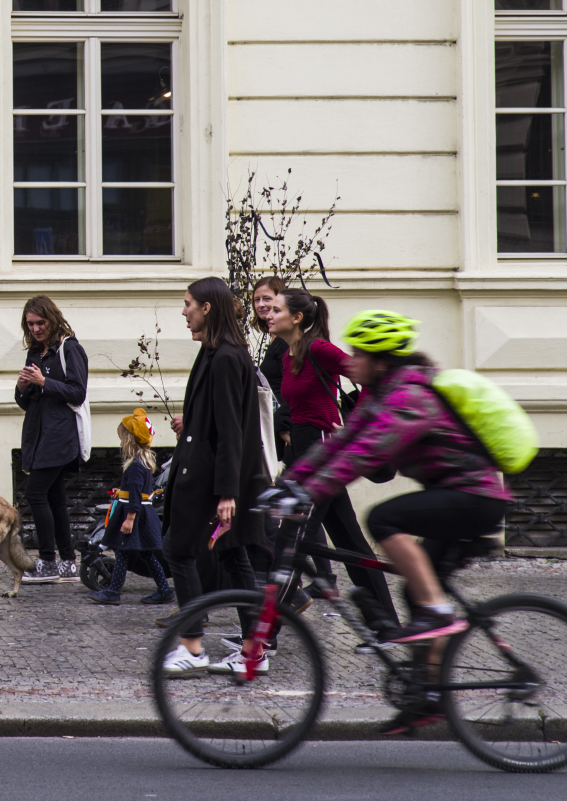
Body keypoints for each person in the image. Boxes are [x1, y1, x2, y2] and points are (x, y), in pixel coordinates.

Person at [282, 310, 514, 734]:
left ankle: (440, 615)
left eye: (358, 355)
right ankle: (428, 695)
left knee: (384, 518)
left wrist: (312, 492)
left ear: (381, 361)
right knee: (416, 591)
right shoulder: (382, 394)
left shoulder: (408, 395)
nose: (350, 361)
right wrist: (292, 481)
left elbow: (367, 453)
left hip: (474, 496)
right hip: (461, 495)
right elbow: (345, 441)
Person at [271, 287, 398, 636]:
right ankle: (385, 624)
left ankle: (261, 639)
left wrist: (360, 424)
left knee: (290, 542)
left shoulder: (318, 348)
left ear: (297, 318)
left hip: (321, 446)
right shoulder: (288, 355)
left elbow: (371, 375)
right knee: (348, 539)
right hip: (302, 448)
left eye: (277, 309)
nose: (269, 313)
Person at [159, 277, 268, 678]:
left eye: (188, 303)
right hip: (215, 476)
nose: (183, 311)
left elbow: (231, 430)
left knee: (179, 550)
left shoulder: (223, 357)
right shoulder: (218, 353)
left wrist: (225, 493)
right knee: (234, 555)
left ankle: (192, 646)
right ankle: (253, 650)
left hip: (210, 482)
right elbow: (221, 418)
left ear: (207, 308)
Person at [14, 295, 88, 583]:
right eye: (30, 324)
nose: (35, 329)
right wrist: (22, 387)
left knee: (35, 493)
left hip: (60, 435)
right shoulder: (35, 353)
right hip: (37, 434)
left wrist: (45, 382)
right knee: (55, 498)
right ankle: (68, 562)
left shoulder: (70, 349)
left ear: (52, 319)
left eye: (40, 322)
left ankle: (47, 562)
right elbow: (25, 402)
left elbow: (77, 393)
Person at [90, 412, 172, 606]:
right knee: (144, 554)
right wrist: (122, 492)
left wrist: (129, 518)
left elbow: (135, 495)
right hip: (143, 514)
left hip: (136, 516)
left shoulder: (135, 466)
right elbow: (137, 490)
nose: (120, 443)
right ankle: (164, 590)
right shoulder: (143, 463)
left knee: (122, 551)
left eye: (121, 438)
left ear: (129, 440)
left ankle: (113, 592)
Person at [251, 276, 290, 455]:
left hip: (287, 431)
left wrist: (285, 428)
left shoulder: (285, 341)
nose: (260, 305)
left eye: (267, 298)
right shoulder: (275, 338)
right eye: (256, 300)